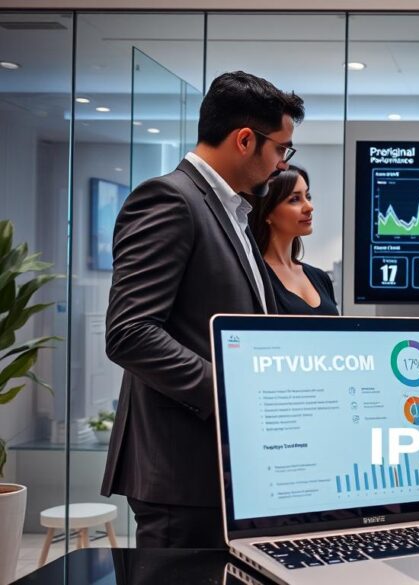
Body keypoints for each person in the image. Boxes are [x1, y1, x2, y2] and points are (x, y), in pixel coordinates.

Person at [101, 71, 305, 548]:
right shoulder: (170, 199)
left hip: (220, 470)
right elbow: (130, 332)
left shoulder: (234, 212)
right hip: (180, 474)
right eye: (280, 149)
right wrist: (231, 392)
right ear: (244, 140)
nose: (281, 164)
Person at [246, 165, 339, 315]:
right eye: (295, 199)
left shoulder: (321, 277)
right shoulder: (254, 277)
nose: (309, 207)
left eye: (307, 196)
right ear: (267, 212)